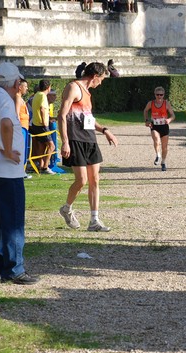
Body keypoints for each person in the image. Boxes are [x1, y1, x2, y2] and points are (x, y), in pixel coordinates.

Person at [0, 62, 39, 284]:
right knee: (13, 221)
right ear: (16, 83)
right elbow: (7, 124)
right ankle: (15, 269)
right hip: (7, 172)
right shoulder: (5, 101)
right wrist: (7, 150)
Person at [57, 62, 118, 232]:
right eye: (102, 79)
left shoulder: (88, 94)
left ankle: (94, 220)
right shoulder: (73, 88)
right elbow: (61, 115)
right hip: (75, 140)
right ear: (95, 76)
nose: (101, 83)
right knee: (82, 180)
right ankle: (67, 208)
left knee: (95, 179)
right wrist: (65, 141)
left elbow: (88, 120)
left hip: (90, 140)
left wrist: (105, 130)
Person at [143, 86, 175, 171]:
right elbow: (145, 110)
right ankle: (158, 155)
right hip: (155, 125)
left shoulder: (166, 104)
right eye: (157, 94)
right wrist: (146, 120)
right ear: (155, 95)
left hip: (164, 126)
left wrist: (169, 119)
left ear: (163, 95)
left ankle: (163, 162)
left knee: (164, 147)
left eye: (161, 95)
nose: (159, 96)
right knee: (156, 140)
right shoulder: (151, 103)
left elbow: (173, 115)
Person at [29, 79, 56, 174]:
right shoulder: (43, 96)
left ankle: (40, 165)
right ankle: (45, 167)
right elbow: (42, 109)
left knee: (41, 146)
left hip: (35, 124)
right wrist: (45, 122)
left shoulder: (36, 95)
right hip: (41, 124)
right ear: (48, 87)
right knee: (51, 146)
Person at [14, 78, 30, 169]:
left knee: (24, 150)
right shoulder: (17, 97)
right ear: (20, 87)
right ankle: (19, 169)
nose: (27, 88)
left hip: (25, 127)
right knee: (20, 150)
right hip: (21, 128)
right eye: (25, 86)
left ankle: (21, 169)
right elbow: (16, 113)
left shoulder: (20, 98)